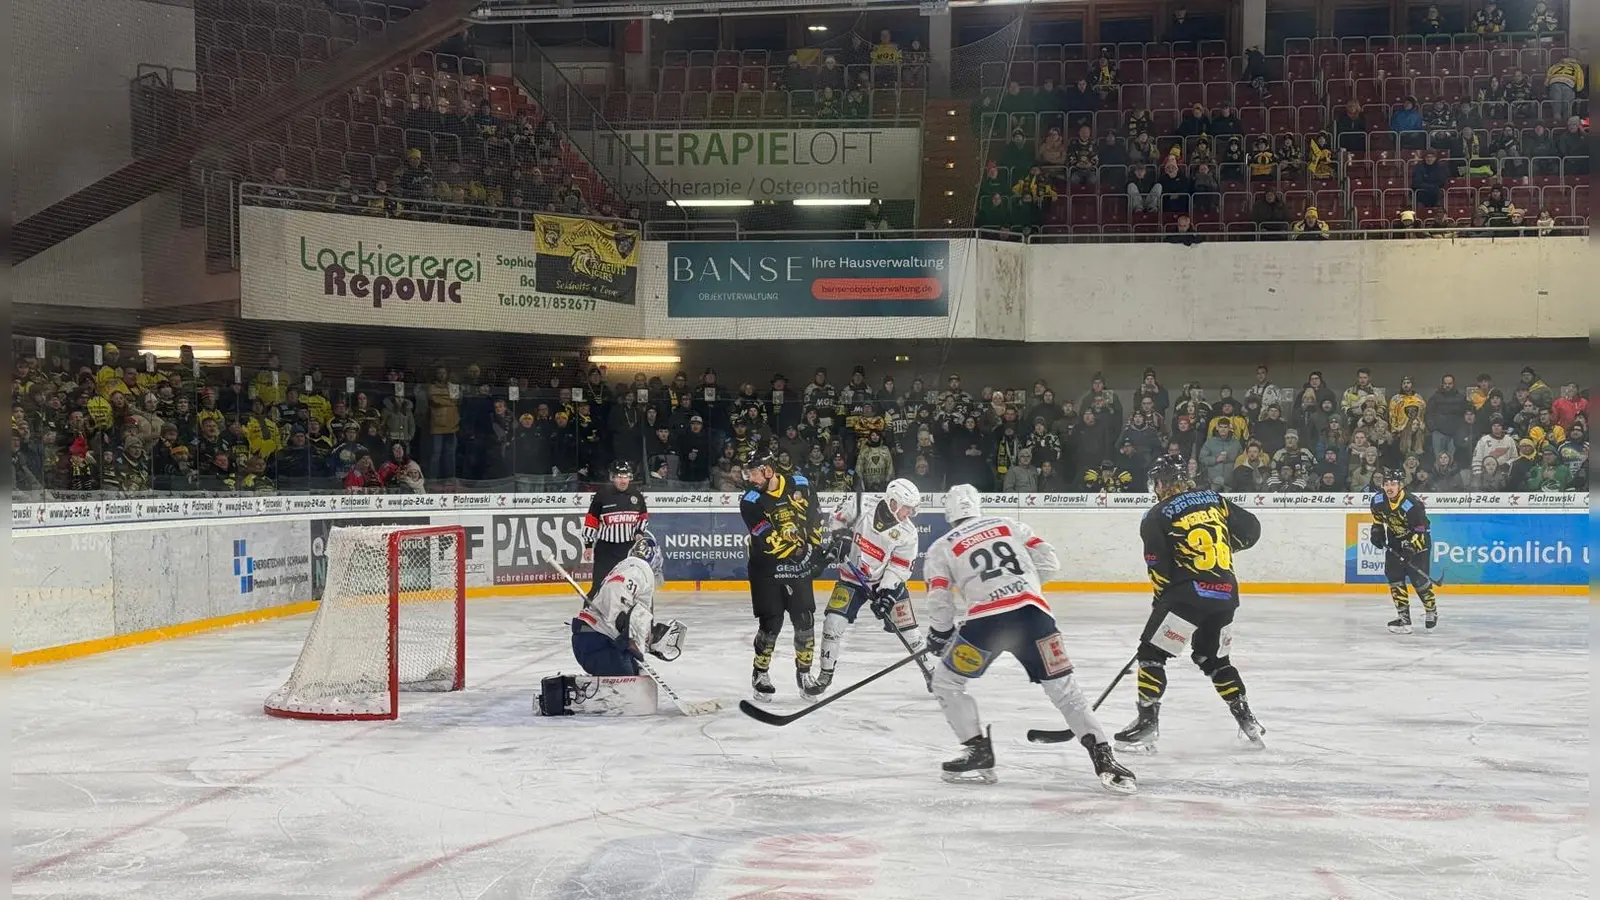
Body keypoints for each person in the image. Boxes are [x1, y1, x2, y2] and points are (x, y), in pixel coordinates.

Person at [921, 485, 1136, 793]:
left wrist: (940, 634)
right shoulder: (1008, 524)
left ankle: (977, 750)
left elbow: (939, 598)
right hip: (1035, 618)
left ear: (949, 514)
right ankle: (1104, 759)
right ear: (977, 506)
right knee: (1066, 692)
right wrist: (1023, 587)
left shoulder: (942, 546)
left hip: (986, 624)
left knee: (945, 682)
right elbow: (1049, 562)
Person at [1114, 460, 1266, 752]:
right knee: (1213, 659)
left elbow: (1158, 566)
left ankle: (1147, 724)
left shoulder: (1156, 514)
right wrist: (1225, 547)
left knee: (1151, 653)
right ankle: (1248, 720)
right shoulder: (1214, 499)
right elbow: (1252, 529)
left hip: (1188, 595)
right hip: (1225, 592)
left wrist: (1161, 602)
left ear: (1160, 484)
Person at [541, 534, 687, 716]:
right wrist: (622, 624)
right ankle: (564, 695)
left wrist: (640, 637)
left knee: (640, 683)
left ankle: (578, 690)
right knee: (634, 692)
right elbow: (615, 592)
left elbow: (628, 614)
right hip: (596, 640)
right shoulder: (639, 569)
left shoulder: (629, 566)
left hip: (595, 639)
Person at [811, 479, 923, 696]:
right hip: (852, 578)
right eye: (907, 507)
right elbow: (837, 518)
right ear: (893, 502)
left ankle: (931, 672)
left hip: (883, 581)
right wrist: (839, 537)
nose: (909, 513)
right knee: (833, 624)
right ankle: (824, 675)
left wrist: (887, 594)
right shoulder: (862, 504)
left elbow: (900, 567)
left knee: (909, 630)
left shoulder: (908, 533)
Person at [740, 448, 826, 699]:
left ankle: (804, 673)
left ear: (769, 470)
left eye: (754, 473)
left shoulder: (801, 485)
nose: (750, 479)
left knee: (804, 619)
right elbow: (769, 540)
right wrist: (803, 550)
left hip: (797, 566)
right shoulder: (750, 500)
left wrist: (817, 549)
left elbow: (814, 519)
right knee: (771, 623)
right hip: (765, 568)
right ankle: (760, 672)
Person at [1369, 469, 1437, 634]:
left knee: (1419, 581)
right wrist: (1376, 532)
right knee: (1395, 579)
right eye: (1386, 484)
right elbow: (1378, 519)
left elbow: (1421, 529)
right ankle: (1404, 620)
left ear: (1400, 485)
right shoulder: (1378, 500)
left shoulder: (1412, 504)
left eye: (1393, 484)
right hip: (1395, 542)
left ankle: (1431, 610)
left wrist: (1411, 548)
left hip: (1418, 543)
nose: (1389, 487)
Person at [582, 460, 650, 599]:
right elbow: (591, 520)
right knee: (599, 586)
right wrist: (588, 545)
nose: (623, 480)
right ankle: (587, 619)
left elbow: (642, 517)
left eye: (626, 476)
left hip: (628, 549)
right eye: (619, 476)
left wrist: (639, 533)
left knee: (628, 586)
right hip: (606, 550)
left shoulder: (636, 496)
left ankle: (627, 618)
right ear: (613, 477)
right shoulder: (602, 496)